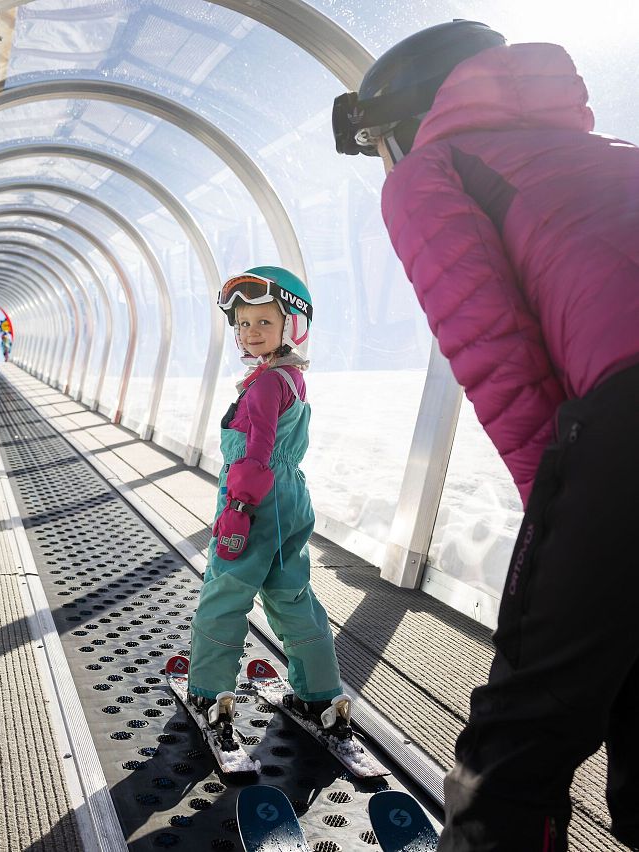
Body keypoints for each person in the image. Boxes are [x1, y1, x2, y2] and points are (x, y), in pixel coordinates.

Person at [332, 19, 639, 852]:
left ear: (406, 122)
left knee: (521, 737)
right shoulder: (612, 154)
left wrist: (562, 541)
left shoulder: (432, 170)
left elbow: (500, 361)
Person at [187, 266, 351, 743]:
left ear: (290, 327)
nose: (250, 332)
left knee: (226, 591)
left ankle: (209, 691)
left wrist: (238, 506)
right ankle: (320, 693)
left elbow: (257, 451)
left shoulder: (262, 385)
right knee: (291, 593)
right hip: (290, 501)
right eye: (242, 323)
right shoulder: (290, 377)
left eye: (263, 322)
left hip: (254, 501)